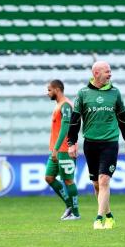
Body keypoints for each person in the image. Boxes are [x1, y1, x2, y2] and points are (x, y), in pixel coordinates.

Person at [68, 61, 125, 230]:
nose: (110, 74)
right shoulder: (82, 94)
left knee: (104, 180)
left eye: (110, 71)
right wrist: (71, 143)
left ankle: (98, 219)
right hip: (90, 144)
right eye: (107, 71)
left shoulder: (115, 93)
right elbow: (75, 120)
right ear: (96, 73)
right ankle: (109, 215)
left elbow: (124, 119)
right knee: (97, 184)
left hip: (110, 143)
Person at [45, 79, 80, 220]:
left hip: (65, 150)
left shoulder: (66, 105)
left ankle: (76, 214)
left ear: (57, 90)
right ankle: (69, 205)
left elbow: (65, 129)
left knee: (68, 181)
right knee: (49, 177)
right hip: (57, 150)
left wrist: (56, 148)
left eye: (49, 90)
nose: (47, 93)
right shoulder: (59, 105)